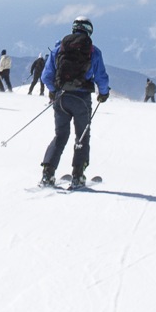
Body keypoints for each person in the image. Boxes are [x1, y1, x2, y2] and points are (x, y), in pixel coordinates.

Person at [40, 16, 110, 189]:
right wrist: (103, 94)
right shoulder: (93, 51)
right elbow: (101, 77)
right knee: (82, 136)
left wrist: (55, 91)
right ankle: (78, 176)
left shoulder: (59, 49)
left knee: (60, 135)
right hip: (81, 99)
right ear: (89, 30)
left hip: (61, 99)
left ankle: (48, 173)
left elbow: (45, 76)